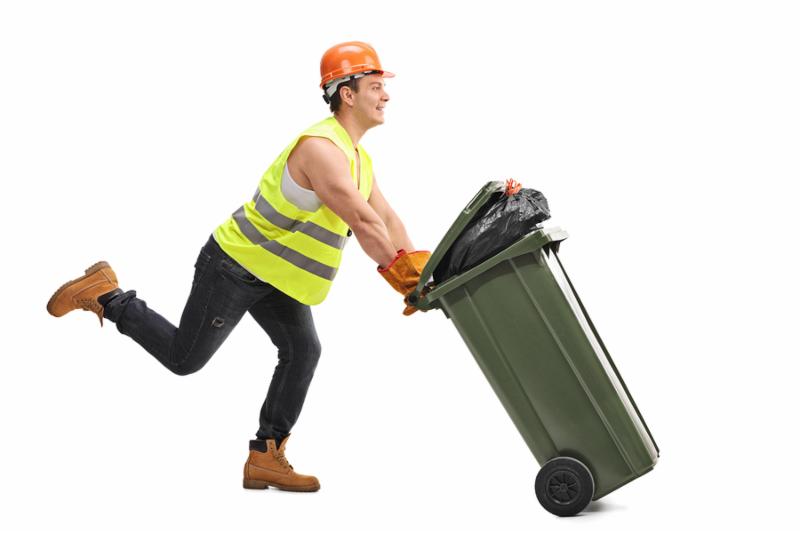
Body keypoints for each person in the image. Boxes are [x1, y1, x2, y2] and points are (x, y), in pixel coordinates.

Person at [46, 41, 431, 493]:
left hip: (278, 277)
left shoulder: (359, 159)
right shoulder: (321, 149)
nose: (385, 95)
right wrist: (403, 280)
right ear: (347, 94)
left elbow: (387, 219)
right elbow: (363, 222)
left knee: (303, 350)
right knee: (184, 360)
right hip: (236, 265)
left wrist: (423, 273)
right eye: (376, 85)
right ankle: (107, 295)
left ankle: (266, 455)